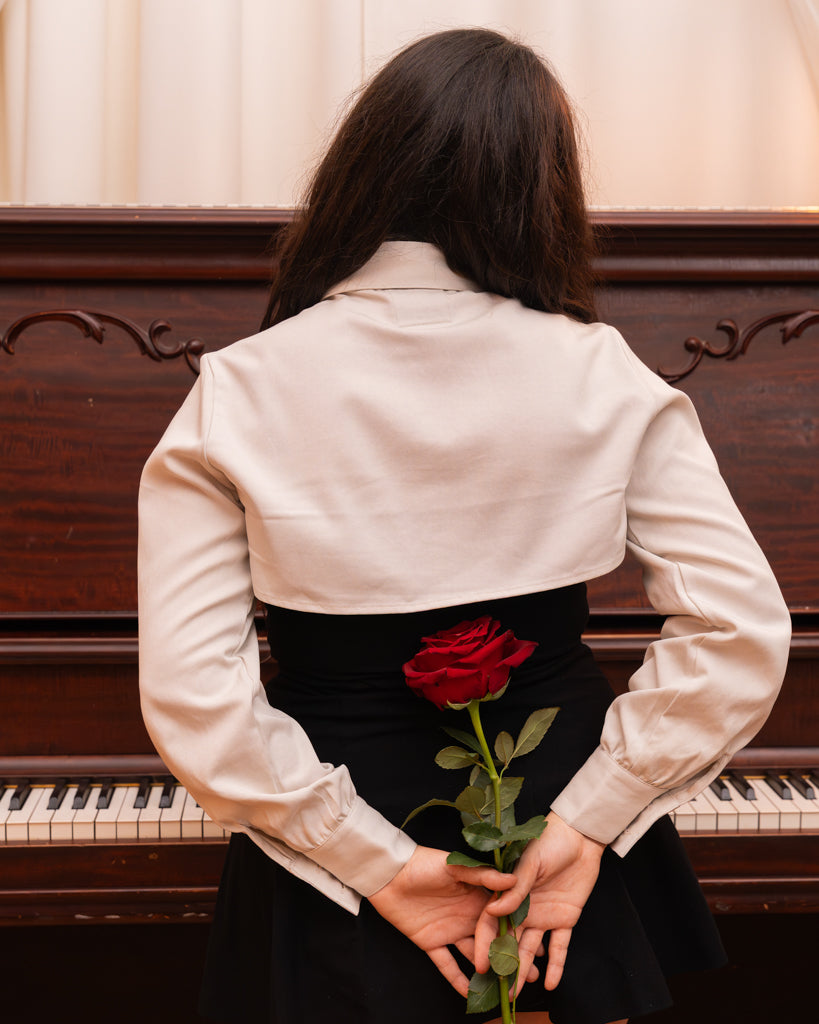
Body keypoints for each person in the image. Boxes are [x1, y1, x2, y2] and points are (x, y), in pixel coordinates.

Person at [137, 28, 791, 1024]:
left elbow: (194, 698)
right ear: (541, 191)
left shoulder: (239, 389)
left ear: (362, 170)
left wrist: (379, 862)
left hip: (332, 851)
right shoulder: (602, 370)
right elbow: (739, 634)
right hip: (561, 844)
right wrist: (587, 817)